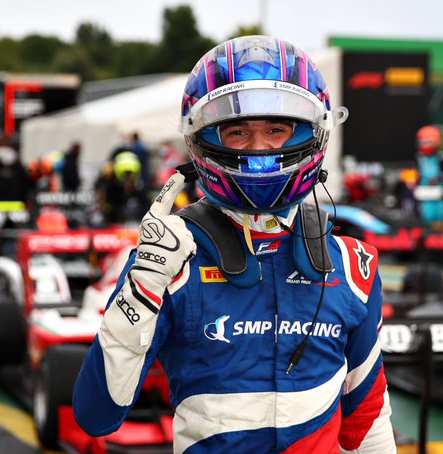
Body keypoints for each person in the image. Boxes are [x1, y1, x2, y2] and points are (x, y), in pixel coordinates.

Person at [73, 35, 396, 453]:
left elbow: (367, 424)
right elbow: (96, 415)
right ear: (203, 137)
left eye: (276, 130)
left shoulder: (352, 266)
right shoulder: (170, 260)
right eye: (238, 131)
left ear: (312, 132)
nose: (259, 150)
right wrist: (143, 287)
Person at [414, 125, 443, 227]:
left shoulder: (441, 156)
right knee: (427, 214)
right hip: (424, 191)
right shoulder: (418, 157)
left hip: (438, 191)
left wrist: (438, 178)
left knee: (439, 214)